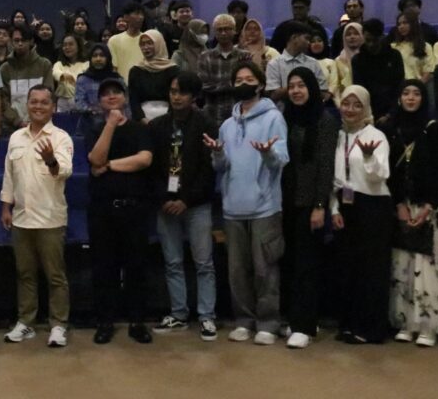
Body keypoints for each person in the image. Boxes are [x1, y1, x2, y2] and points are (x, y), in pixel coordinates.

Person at [203, 62, 288, 346]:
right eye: (238, 80)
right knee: (237, 271)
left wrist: (267, 154)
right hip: (233, 208)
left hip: (265, 207)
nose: (243, 83)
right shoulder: (227, 125)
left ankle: (268, 322)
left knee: (265, 269)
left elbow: (281, 160)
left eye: (249, 79)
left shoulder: (274, 118)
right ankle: (244, 320)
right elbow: (221, 167)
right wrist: (217, 154)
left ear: (260, 84)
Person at [382, 81, 438, 347]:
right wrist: (398, 204)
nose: (411, 98)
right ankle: (406, 322)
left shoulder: (434, 128)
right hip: (402, 205)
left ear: (424, 98)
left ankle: (428, 324)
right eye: (406, 93)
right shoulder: (390, 128)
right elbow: (388, 170)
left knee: (428, 265)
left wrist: (429, 206)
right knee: (403, 264)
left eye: (416, 94)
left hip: (429, 207)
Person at [0, 85, 73, 348]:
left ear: (53, 107)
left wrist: (51, 159)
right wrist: (6, 207)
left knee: (55, 276)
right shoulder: (16, 138)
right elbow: (9, 176)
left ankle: (58, 325)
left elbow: (64, 171)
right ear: (27, 104)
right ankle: (26, 322)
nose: (38, 106)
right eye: (34, 101)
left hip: (50, 219)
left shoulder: (61, 137)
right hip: (21, 218)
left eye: (44, 102)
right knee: (25, 274)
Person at [149, 72, 219, 341]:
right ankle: (178, 313)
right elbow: (151, 168)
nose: (176, 97)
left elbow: (208, 170)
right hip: (165, 204)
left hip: (196, 204)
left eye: (182, 92)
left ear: (194, 96)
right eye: (173, 91)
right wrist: (164, 199)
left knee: (204, 263)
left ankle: (207, 316)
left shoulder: (206, 125)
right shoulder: (157, 126)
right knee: (173, 262)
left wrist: (186, 200)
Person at [87, 79, 155, 344]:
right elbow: (95, 159)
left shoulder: (140, 129)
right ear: (99, 102)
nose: (111, 97)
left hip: (134, 208)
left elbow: (144, 160)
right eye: (105, 94)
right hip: (102, 210)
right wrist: (111, 125)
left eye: (116, 92)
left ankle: (137, 322)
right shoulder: (95, 129)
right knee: (104, 268)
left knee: (136, 267)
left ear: (125, 97)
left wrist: (109, 165)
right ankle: (105, 322)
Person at [279, 68, 338, 349]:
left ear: (312, 88)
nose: (296, 91)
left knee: (307, 264)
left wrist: (319, 205)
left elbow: (326, 166)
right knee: (290, 262)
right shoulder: (285, 117)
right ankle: (296, 319)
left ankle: (305, 326)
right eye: (291, 86)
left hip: (310, 202)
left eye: (301, 85)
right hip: (286, 200)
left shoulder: (325, 120)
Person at [331, 85, 393, 344]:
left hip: (373, 206)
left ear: (366, 108)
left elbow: (381, 175)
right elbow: (333, 178)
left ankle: (371, 328)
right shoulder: (338, 136)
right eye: (346, 104)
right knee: (348, 268)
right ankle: (349, 324)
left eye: (357, 105)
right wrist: (334, 208)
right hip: (345, 205)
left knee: (372, 270)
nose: (351, 110)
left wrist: (368, 156)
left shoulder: (376, 135)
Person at [199, 14, 252, 125]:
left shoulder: (244, 56)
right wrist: (233, 85)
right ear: (215, 32)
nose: (223, 33)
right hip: (212, 115)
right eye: (219, 30)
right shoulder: (205, 57)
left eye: (227, 29)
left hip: (240, 114)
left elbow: (247, 86)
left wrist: (220, 86)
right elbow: (204, 86)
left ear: (234, 31)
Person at [0, 26, 55, 134]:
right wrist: (18, 121)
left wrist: (36, 120)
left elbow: (49, 96)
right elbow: (3, 101)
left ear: (31, 41)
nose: (20, 43)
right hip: (12, 127)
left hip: (41, 125)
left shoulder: (44, 65)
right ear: (11, 42)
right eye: (16, 40)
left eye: (23, 40)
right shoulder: (5, 68)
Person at [352, 19, 405, 121]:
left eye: (375, 40)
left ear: (382, 37)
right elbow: (360, 90)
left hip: (393, 111)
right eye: (368, 40)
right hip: (368, 112)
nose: (371, 44)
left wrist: (390, 114)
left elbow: (399, 87)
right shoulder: (357, 60)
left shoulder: (394, 56)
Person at [266, 21, 329, 103]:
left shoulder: (313, 63)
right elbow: (273, 95)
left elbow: (323, 93)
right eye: (306, 38)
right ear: (294, 37)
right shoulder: (274, 64)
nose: (309, 42)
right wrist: (302, 86)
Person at [127, 29, 179, 123]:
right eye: (142, 44)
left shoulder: (173, 70)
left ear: (159, 44)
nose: (146, 47)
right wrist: (142, 118)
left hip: (169, 118)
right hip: (142, 119)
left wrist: (167, 119)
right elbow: (133, 99)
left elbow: (176, 95)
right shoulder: (136, 71)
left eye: (149, 43)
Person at [74, 43, 123, 122]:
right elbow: (79, 103)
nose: (98, 59)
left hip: (116, 121)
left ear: (108, 58)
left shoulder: (117, 79)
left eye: (102, 55)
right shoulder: (83, 80)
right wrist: (95, 111)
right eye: (94, 56)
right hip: (90, 123)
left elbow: (125, 103)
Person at [391, 14, 435, 84]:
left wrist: (416, 87)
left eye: (405, 23)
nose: (401, 26)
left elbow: (428, 72)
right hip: (398, 86)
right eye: (399, 24)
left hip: (418, 85)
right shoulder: (393, 47)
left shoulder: (426, 46)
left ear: (414, 25)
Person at [107, 2, 147, 80]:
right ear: (126, 17)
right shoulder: (114, 40)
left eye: (142, 14)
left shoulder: (147, 39)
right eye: (137, 13)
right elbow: (113, 69)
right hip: (122, 85)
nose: (140, 17)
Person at [52, 34, 88, 112]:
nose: (67, 47)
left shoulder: (87, 64)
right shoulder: (59, 64)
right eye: (65, 45)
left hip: (80, 101)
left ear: (78, 46)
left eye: (71, 44)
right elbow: (55, 73)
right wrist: (64, 76)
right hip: (62, 102)